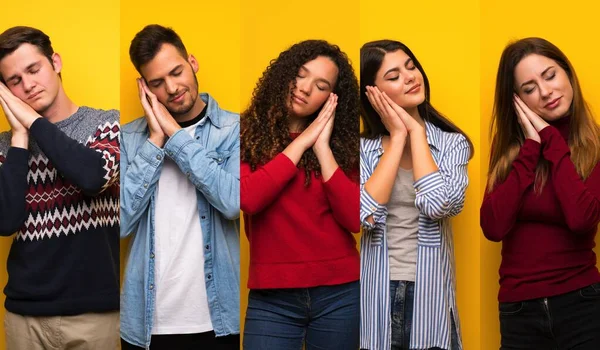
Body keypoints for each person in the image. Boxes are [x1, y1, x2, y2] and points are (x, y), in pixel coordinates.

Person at [119, 25, 240, 350]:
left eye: (177, 72)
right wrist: (157, 139)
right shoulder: (129, 139)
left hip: (215, 321)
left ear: (193, 62)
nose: (172, 88)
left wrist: (175, 135)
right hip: (145, 324)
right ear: (144, 87)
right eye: (157, 82)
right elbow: (120, 223)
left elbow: (231, 203)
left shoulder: (233, 129)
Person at [0, 26, 120, 349]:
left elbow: (92, 178)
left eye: (33, 69)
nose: (28, 85)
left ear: (56, 62)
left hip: (94, 316)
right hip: (25, 318)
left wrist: (33, 121)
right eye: (14, 81)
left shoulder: (107, 124)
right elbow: (5, 221)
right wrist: (20, 138)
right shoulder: (5, 147)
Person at [240, 40, 361, 350]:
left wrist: (322, 149)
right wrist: (303, 142)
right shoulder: (243, 133)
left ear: (331, 98)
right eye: (301, 74)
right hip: (272, 297)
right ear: (284, 73)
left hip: (340, 294)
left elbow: (353, 218)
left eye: (320, 85)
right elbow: (249, 198)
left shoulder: (342, 144)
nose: (305, 88)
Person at [481, 37, 600, 349]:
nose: (546, 92)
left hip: (583, 305)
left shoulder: (595, 145)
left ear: (567, 73)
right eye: (529, 88)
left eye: (550, 75)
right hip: (519, 309)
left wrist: (550, 138)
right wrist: (531, 147)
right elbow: (493, 227)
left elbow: (581, 219)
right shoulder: (509, 150)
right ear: (517, 100)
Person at [360, 40, 473, 350]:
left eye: (411, 67)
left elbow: (438, 205)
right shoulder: (362, 151)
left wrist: (416, 133)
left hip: (432, 295)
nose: (410, 76)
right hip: (377, 294)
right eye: (394, 75)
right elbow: (364, 216)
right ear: (373, 93)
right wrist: (397, 138)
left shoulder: (452, 144)